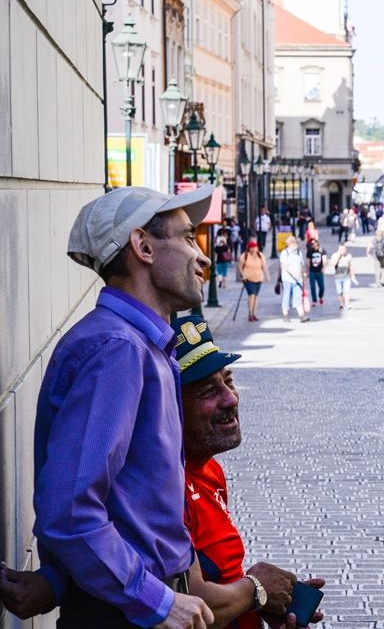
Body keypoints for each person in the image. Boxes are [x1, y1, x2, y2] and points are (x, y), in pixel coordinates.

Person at [0, 315, 326, 629]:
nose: (230, 398)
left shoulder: (209, 470)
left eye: (228, 381)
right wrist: (258, 589)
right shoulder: (164, 487)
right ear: (169, 407)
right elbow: (192, 600)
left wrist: (267, 602)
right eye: (207, 392)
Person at [27, 185, 216, 627]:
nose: (202, 256)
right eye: (188, 238)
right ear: (143, 246)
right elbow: (70, 513)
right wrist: (158, 601)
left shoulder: (143, 346)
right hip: (126, 614)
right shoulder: (118, 349)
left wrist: (58, 578)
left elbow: (123, 505)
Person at [279, 236, 308, 323]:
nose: (296, 244)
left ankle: (301, 316)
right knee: (286, 297)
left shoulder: (299, 253)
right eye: (294, 243)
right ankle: (285, 315)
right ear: (290, 244)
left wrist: (303, 277)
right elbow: (285, 266)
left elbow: (302, 265)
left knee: (298, 297)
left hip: (298, 280)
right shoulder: (285, 253)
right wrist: (294, 275)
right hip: (288, 279)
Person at [239, 239, 270, 322]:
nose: (254, 249)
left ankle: (254, 313)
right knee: (251, 295)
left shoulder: (260, 255)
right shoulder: (244, 256)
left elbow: (264, 266)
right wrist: (243, 275)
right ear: (248, 248)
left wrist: (267, 276)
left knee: (256, 296)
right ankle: (250, 313)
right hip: (248, 278)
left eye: (255, 247)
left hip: (258, 278)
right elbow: (240, 267)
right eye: (252, 248)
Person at [328, 243, 354, 311]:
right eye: (342, 249)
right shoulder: (335, 255)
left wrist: (353, 274)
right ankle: (342, 304)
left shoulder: (349, 256)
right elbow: (333, 264)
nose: (344, 251)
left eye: (345, 249)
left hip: (346, 276)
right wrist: (339, 256)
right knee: (339, 292)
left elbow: (350, 265)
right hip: (338, 276)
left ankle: (347, 304)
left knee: (347, 291)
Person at [307, 237, 326, 307]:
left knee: (322, 287)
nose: (312, 245)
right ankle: (314, 300)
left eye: (313, 243)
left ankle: (320, 297)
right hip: (312, 271)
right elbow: (308, 261)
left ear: (317, 243)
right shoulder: (310, 250)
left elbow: (324, 259)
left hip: (319, 271)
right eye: (311, 244)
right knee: (312, 286)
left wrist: (323, 267)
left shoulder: (322, 250)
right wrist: (308, 270)